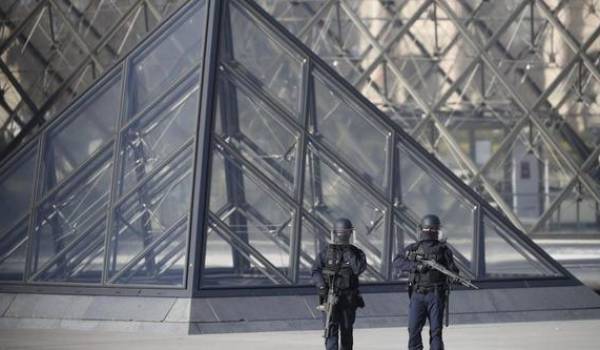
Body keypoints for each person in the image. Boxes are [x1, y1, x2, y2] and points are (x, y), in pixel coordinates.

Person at [393, 214, 459, 350]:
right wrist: (416, 266)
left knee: (432, 331)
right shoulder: (414, 248)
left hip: (435, 294)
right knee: (417, 330)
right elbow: (397, 261)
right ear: (433, 231)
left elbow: (453, 271)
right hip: (419, 295)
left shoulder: (443, 250)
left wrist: (454, 277)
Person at [312, 217, 367, 350]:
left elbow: (358, 268)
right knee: (330, 331)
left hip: (348, 298)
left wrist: (348, 251)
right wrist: (322, 287)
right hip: (330, 296)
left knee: (347, 331)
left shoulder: (356, 253)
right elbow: (315, 270)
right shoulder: (326, 253)